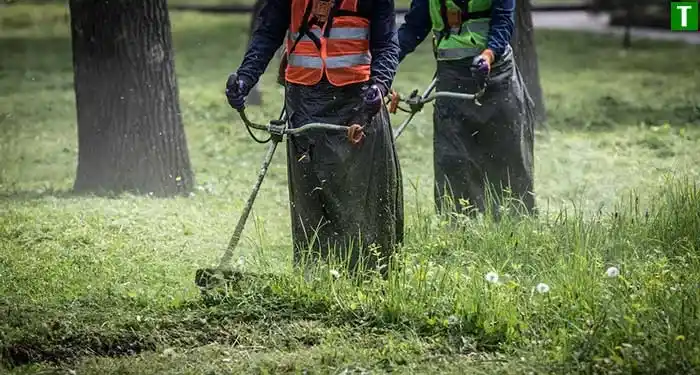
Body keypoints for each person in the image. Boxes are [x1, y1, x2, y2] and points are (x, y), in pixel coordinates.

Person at [225, 0, 404, 278]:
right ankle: (315, 275)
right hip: (304, 102)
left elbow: (386, 46)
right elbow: (269, 33)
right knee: (311, 194)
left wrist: (379, 86)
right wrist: (245, 79)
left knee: (360, 194)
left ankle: (368, 275)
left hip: (357, 103)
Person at [397, 0, 536, 218]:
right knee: (452, 160)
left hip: (495, 75)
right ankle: (458, 229)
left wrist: (488, 55)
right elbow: (414, 27)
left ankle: (516, 225)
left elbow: (503, 21)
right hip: (451, 77)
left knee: (506, 160)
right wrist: (382, 66)